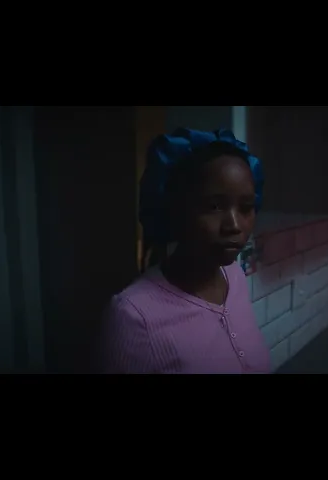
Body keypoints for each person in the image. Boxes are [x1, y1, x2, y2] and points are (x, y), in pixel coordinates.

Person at [100, 128, 270, 374]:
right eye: (214, 206)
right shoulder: (132, 316)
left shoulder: (235, 276)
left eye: (246, 207)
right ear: (176, 210)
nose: (234, 225)